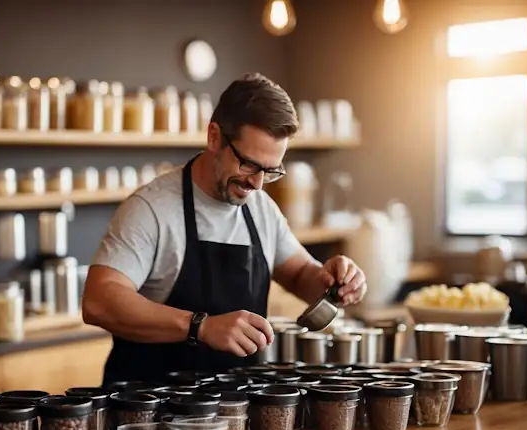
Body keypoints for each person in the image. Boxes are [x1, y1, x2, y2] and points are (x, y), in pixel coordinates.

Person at [83, 73, 367, 383]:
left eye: (270, 171)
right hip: (150, 413)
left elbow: (299, 273)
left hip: (234, 409)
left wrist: (335, 280)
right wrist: (199, 326)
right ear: (214, 137)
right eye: (249, 164)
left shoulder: (260, 208)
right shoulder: (152, 209)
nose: (257, 184)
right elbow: (99, 301)